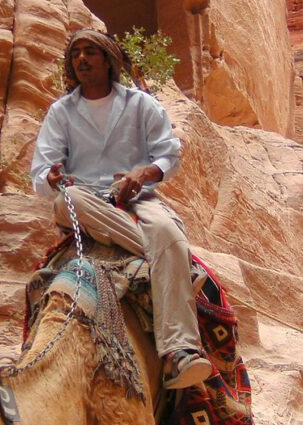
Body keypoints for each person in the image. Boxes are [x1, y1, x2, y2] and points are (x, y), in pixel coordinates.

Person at [29, 29, 211, 389]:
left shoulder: (140, 104)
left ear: (108, 60)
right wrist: (51, 177)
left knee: (170, 232)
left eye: (90, 52)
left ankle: (179, 352)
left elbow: (169, 154)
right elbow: (41, 171)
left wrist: (142, 173)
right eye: (76, 53)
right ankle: (174, 266)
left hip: (137, 198)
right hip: (84, 200)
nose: (82, 59)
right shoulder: (61, 112)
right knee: (69, 200)